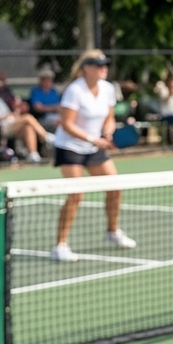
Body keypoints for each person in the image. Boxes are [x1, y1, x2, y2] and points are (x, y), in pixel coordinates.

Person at [50, 50, 135, 263]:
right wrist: (92, 138)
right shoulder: (74, 90)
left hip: (94, 146)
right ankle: (60, 245)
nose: (103, 68)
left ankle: (112, 232)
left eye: (105, 64)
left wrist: (107, 132)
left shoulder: (107, 89)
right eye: (98, 65)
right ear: (86, 68)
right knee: (76, 194)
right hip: (70, 146)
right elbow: (67, 124)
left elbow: (109, 117)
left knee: (115, 187)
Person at [0, 76, 48, 164]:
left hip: (9, 123)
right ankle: (46, 137)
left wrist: (14, 114)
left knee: (28, 128)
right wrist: (2, 117)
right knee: (28, 117)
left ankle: (33, 154)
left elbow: (8, 114)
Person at [29, 68, 62, 133]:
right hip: (43, 118)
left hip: (57, 116)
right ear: (41, 80)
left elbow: (60, 106)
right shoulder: (36, 91)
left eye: (49, 80)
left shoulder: (53, 91)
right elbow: (38, 108)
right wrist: (54, 108)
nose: (47, 82)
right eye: (45, 80)